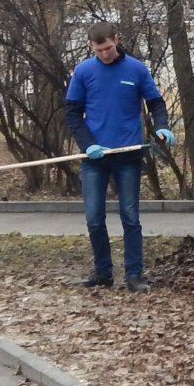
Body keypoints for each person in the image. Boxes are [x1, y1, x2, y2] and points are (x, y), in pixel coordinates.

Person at [65, 24, 175, 292]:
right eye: (99, 50)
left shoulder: (136, 69)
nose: (105, 54)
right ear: (91, 46)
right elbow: (72, 112)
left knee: (129, 216)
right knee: (93, 217)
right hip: (95, 158)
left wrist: (161, 125)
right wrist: (88, 144)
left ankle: (134, 275)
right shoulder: (83, 72)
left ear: (117, 40)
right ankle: (103, 272)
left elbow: (156, 102)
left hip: (128, 154)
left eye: (109, 48)